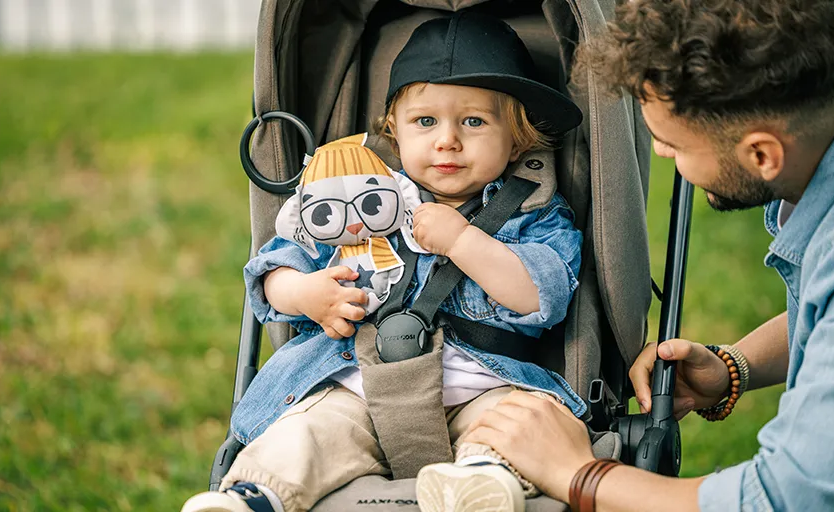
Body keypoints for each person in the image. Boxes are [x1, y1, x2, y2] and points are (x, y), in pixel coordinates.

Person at [463, 0, 834, 511]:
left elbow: (790, 498)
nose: (663, 154)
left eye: (672, 143)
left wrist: (578, 473)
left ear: (762, 154)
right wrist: (734, 367)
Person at [182, 12, 587, 512]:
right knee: (310, 431)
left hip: (480, 385)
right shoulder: (356, 193)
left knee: (517, 422)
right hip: (353, 382)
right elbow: (273, 270)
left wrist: (463, 240)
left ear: (518, 137)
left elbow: (540, 295)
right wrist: (306, 294)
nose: (447, 140)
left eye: (474, 122)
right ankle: (258, 496)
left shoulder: (533, 215)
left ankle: (482, 479)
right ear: (394, 130)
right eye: (425, 121)